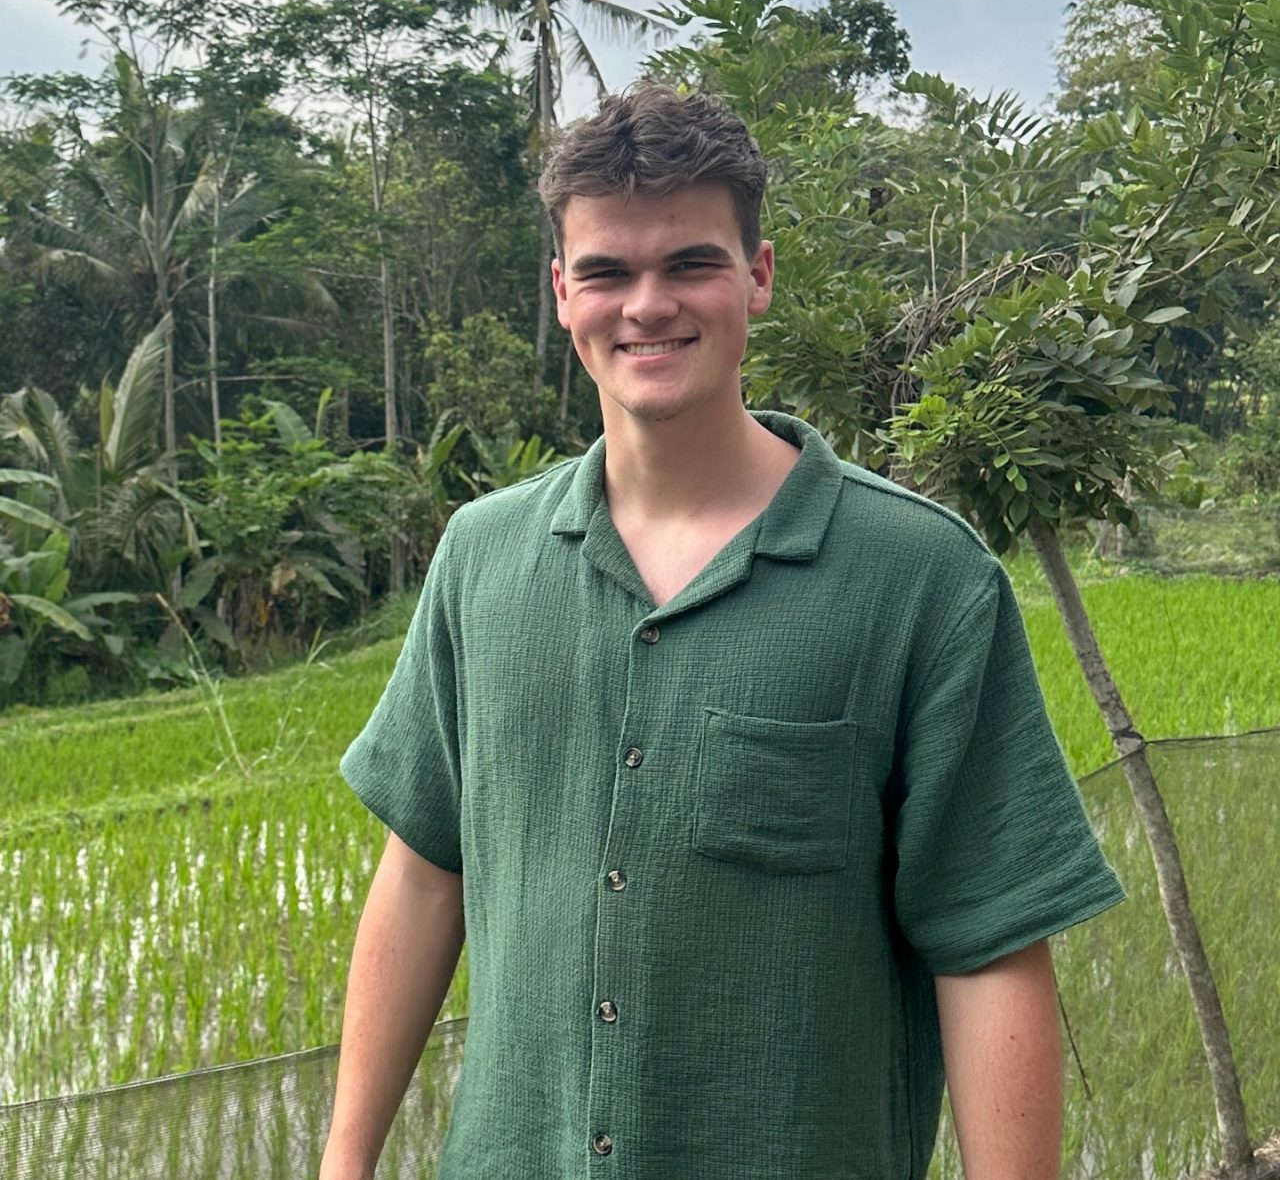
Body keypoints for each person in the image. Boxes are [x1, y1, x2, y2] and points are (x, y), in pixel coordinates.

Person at [321, 82, 1124, 1180]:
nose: (644, 303)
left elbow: (984, 944)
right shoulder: (481, 558)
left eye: (688, 262)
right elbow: (422, 874)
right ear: (562, 292)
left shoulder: (920, 580)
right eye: (606, 269)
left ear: (757, 273)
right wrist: (343, 1159)